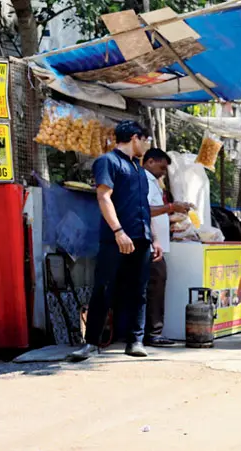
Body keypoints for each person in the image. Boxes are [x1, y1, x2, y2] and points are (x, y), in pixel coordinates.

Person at [69, 121, 153, 362]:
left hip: (141, 238)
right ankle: (91, 343)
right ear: (135, 138)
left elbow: (144, 207)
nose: (147, 146)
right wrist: (118, 231)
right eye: (146, 140)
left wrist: (153, 237)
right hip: (115, 238)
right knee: (104, 289)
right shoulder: (108, 161)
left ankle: (135, 340)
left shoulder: (139, 170)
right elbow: (103, 197)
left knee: (139, 291)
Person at [142, 148, 192, 347]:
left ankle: (150, 332)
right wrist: (171, 208)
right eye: (162, 167)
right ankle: (153, 333)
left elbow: (155, 212)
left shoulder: (154, 183)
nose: (164, 172)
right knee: (155, 285)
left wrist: (170, 219)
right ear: (150, 161)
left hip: (157, 243)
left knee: (154, 285)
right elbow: (145, 210)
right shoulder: (144, 181)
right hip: (150, 244)